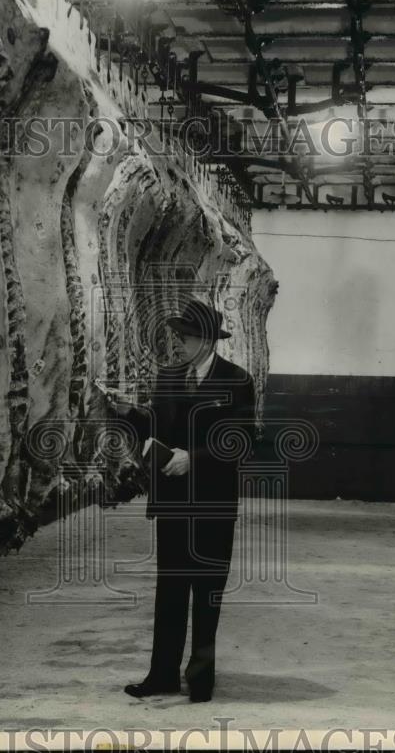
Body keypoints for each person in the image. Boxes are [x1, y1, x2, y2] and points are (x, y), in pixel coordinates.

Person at [107, 298, 255, 703]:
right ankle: (163, 675)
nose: (180, 345)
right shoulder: (169, 377)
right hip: (173, 502)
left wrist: (195, 458)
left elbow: (241, 440)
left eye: (186, 338)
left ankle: (202, 678)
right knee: (170, 591)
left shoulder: (237, 381)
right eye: (179, 337)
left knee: (207, 592)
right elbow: (158, 426)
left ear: (207, 340)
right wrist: (129, 413)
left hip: (212, 504)